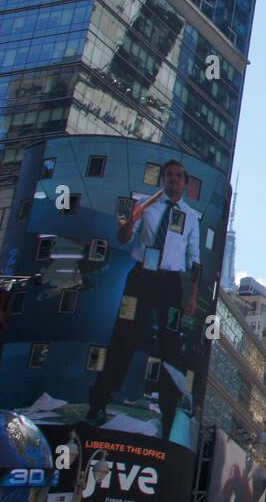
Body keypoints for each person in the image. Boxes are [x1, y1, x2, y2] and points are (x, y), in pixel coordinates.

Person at [86, 158, 202, 442]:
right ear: (163, 178)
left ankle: (168, 412)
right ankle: (99, 402)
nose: (173, 179)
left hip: (171, 286)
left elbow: (194, 259)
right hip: (140, 278)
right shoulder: (144, 205)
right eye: (169, 174)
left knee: (171, 347)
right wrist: (130, 221)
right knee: (123, 336)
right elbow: (123, 237)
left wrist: (193, 295)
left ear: (185, 184)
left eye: (178, 176)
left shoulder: (190, 217)